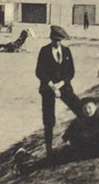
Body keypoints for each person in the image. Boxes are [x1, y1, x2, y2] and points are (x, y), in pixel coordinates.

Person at [35, 26, 81, 156]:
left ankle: (72, 138)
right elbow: (39, 71)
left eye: (60, 40)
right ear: (51, 39)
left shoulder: (66, 51)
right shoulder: (44, 51)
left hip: (64, 86)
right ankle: (49, 149)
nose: (58, 43)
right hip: (48, 88)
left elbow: (71, 72)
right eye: (55, 40)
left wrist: (60, 84)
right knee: (48, 120)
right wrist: (51, 85)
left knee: (79, 109)